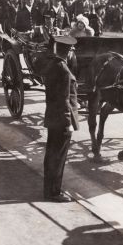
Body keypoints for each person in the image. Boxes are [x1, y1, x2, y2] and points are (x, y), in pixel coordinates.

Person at [43, 34, 79, 202]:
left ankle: (48, 190)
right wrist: (68, 123)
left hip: (52, 117)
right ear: (69, 52)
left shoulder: (52, 65)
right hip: (61, 120)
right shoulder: (64, 70)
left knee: (51, 155)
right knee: (59, 158)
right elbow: (64, 99)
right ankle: (55, 193)